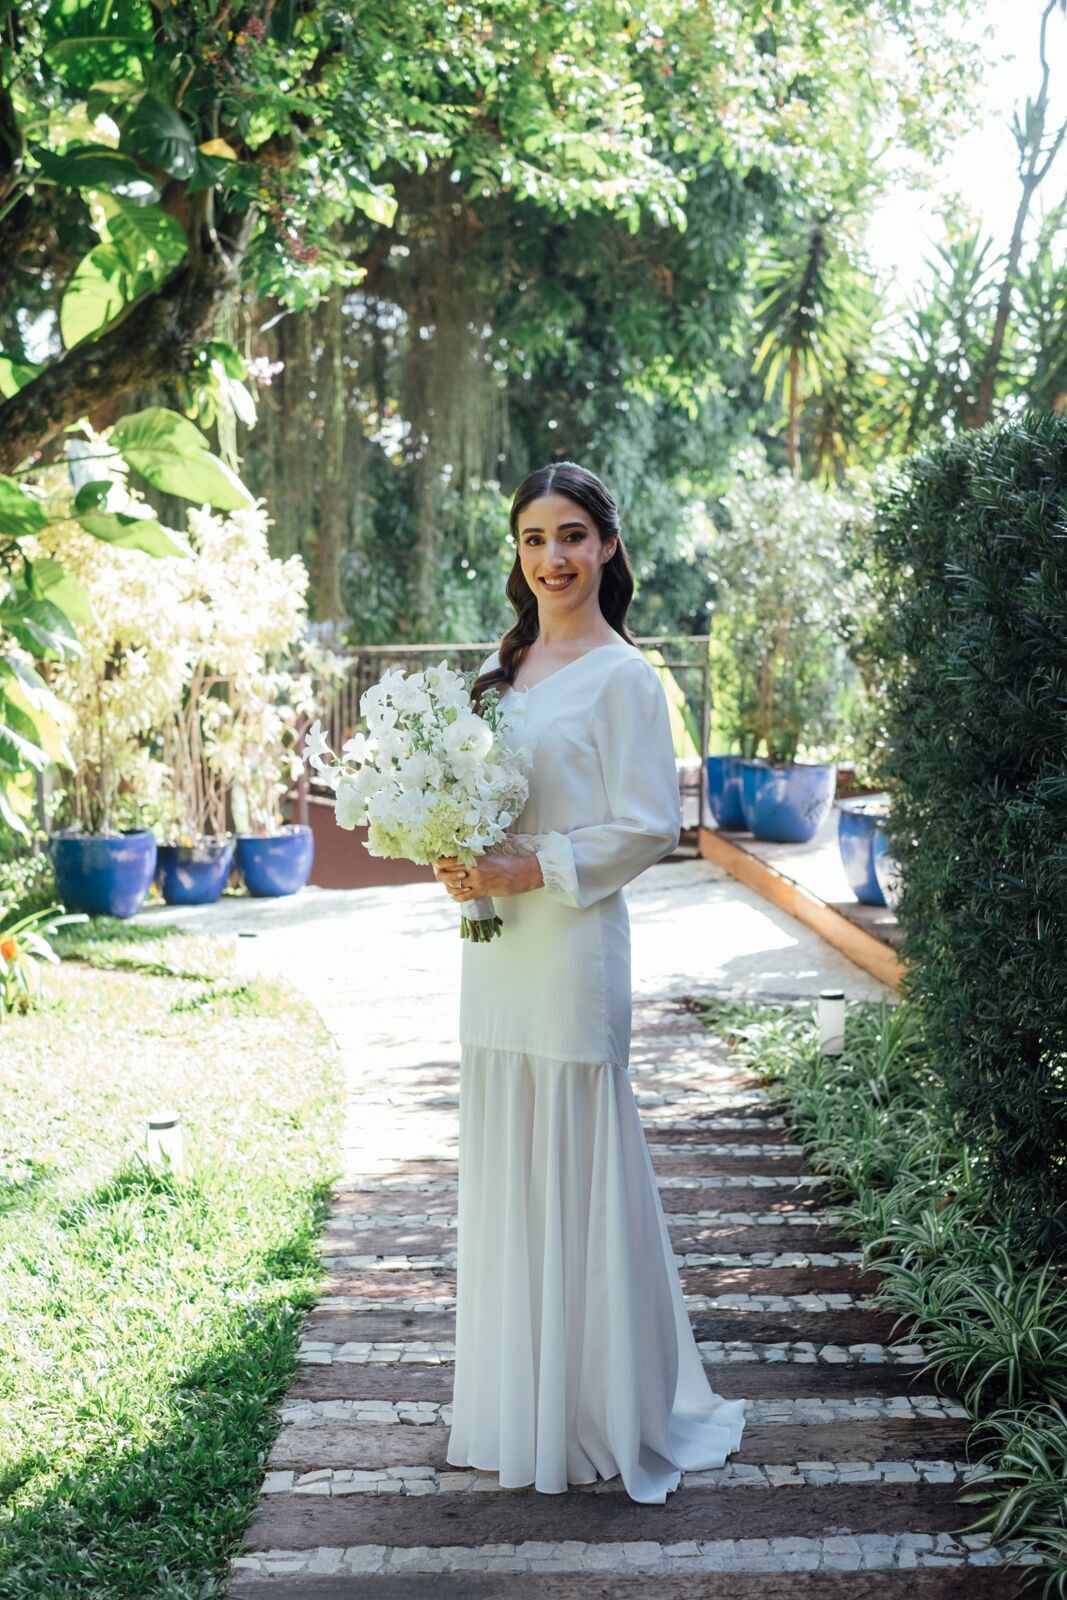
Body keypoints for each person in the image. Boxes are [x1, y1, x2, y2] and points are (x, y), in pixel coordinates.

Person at [432, 461, 747, 1503]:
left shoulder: (625, 677)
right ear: (515, 554)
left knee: (575, 1158)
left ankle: (601, 1411)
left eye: (571, 536)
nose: (551, 557)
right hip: (495, 948)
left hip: (571, 947)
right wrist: (457, 855)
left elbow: (649, 822)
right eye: (532, 539)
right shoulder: (506, 662)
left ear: (606, 546)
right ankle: (517, 1408)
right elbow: (484, 802)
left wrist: (531, 866)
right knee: (508, 1161)